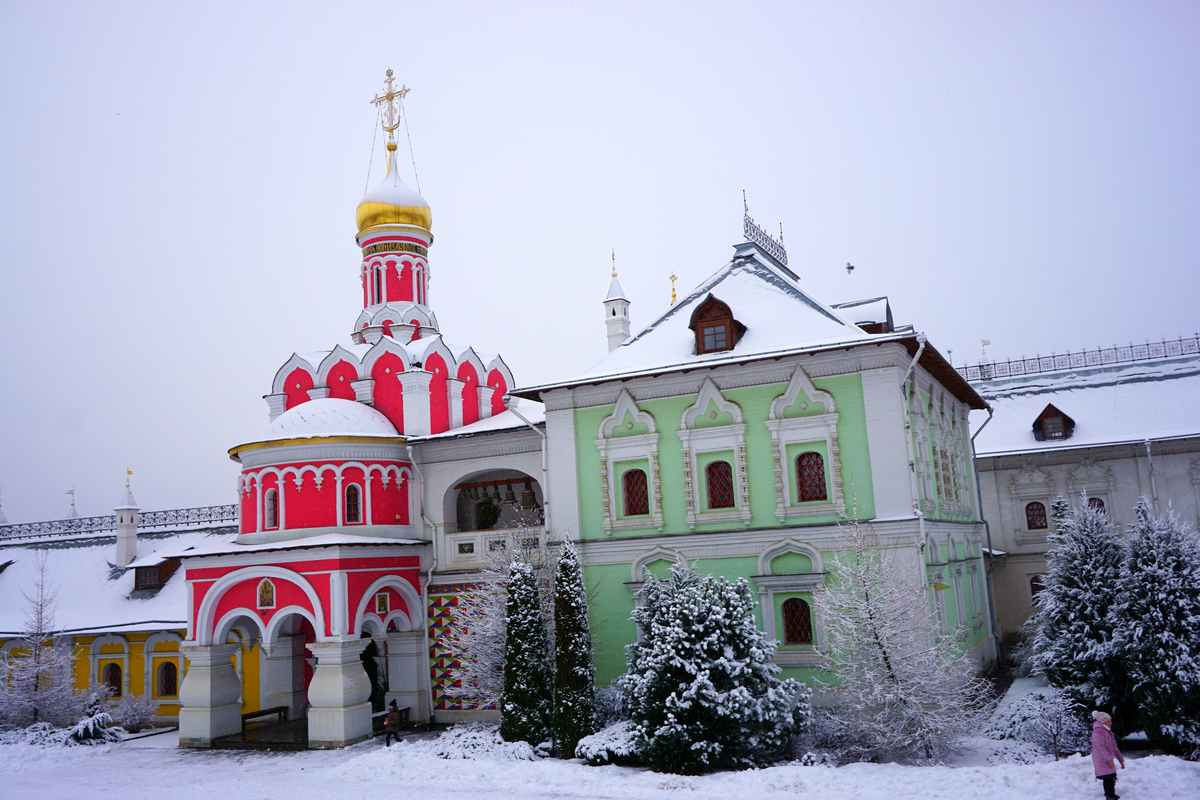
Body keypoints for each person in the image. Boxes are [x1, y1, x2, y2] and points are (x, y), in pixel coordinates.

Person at [1090, 710, 1125, 799]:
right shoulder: (1098, 732)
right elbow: (1101, 748)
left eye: (1110, 720)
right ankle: (1109, 795)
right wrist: (1109, 760)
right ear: (1103, 721)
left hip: (1107, 759)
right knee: (1108, 777)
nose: (1111, 723)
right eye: (1109, 721)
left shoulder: (1108, 732)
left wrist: (1121, 760)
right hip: (1101, 759)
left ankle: (1111, 794)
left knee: (1111, 777)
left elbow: (1114, 747)